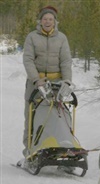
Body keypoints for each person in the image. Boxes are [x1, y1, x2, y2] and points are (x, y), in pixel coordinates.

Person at [21, 6, 72, 159]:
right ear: (40, 21)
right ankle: (29, 152)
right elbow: (28, 60)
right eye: (45, 19)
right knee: (31, 115)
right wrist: (36, 80)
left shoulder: (61, 38)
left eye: (50, 19)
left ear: (55, 21)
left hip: (56, 83)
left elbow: (65, 61)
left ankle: (61, 147)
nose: (48, 22)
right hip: (36, 82)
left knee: (58, 115)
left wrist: (67, 81)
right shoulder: (32, 37)